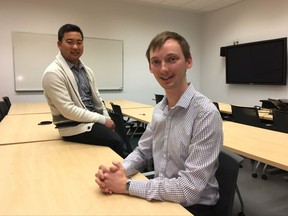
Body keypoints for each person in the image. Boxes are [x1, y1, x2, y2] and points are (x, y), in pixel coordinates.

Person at [95, 31, 223, 216]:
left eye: (172, 59)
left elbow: (190, 189)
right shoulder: (160, 110)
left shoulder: (206, 114)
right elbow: (142, 151)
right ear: (150, 67)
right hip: (163, 196)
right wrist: (119, 170)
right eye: (156, 62)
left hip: (194, 207)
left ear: (189, 61)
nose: (163, 69)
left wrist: (126, 185)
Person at [42, 24, 124, 157]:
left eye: (79, 42)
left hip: (92, 121)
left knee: (117, 133)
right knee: (115, 141)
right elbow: (68, 110)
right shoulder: (53, 73)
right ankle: (117, 174)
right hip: (74, 126)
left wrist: (107, 118)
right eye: (70, 42)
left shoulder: (87, 71)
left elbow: (97, 99)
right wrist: (103, 120)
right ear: (59, 44)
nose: (75, 47)